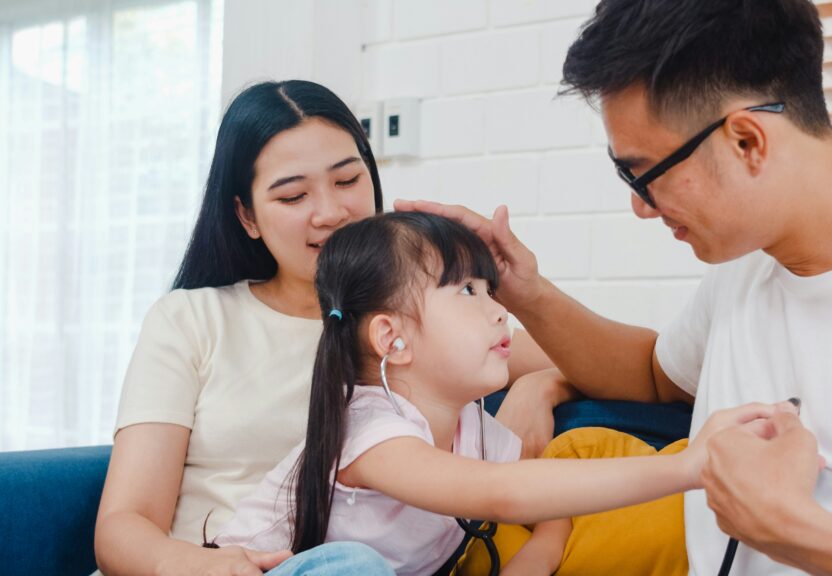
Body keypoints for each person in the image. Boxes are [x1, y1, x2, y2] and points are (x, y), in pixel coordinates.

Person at [397, 0, 832, 574]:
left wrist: (800, 534)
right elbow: (650, 374)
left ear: (747, 140)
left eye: (643, 174)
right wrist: (523, 290)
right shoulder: (751, 266)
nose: (642, 208)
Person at [92, 80, 554, 576]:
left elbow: (583, 366)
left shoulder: (415, 328)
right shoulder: (191, 320)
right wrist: (187, 565)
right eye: (293, 196)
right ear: (246, 216)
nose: (332, 213)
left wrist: (539, 388)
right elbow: (124, 525)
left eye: (348, 180)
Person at [213, 211, 792, 575]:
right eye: (467, 291)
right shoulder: (371, 429)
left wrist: (539, 556)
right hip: (264, 569)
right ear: (392, 338)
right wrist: (691, 467)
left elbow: (546, 497)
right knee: (354, 566)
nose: (498, 313)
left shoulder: (472, 427)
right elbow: (503, 494)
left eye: (491, 290)